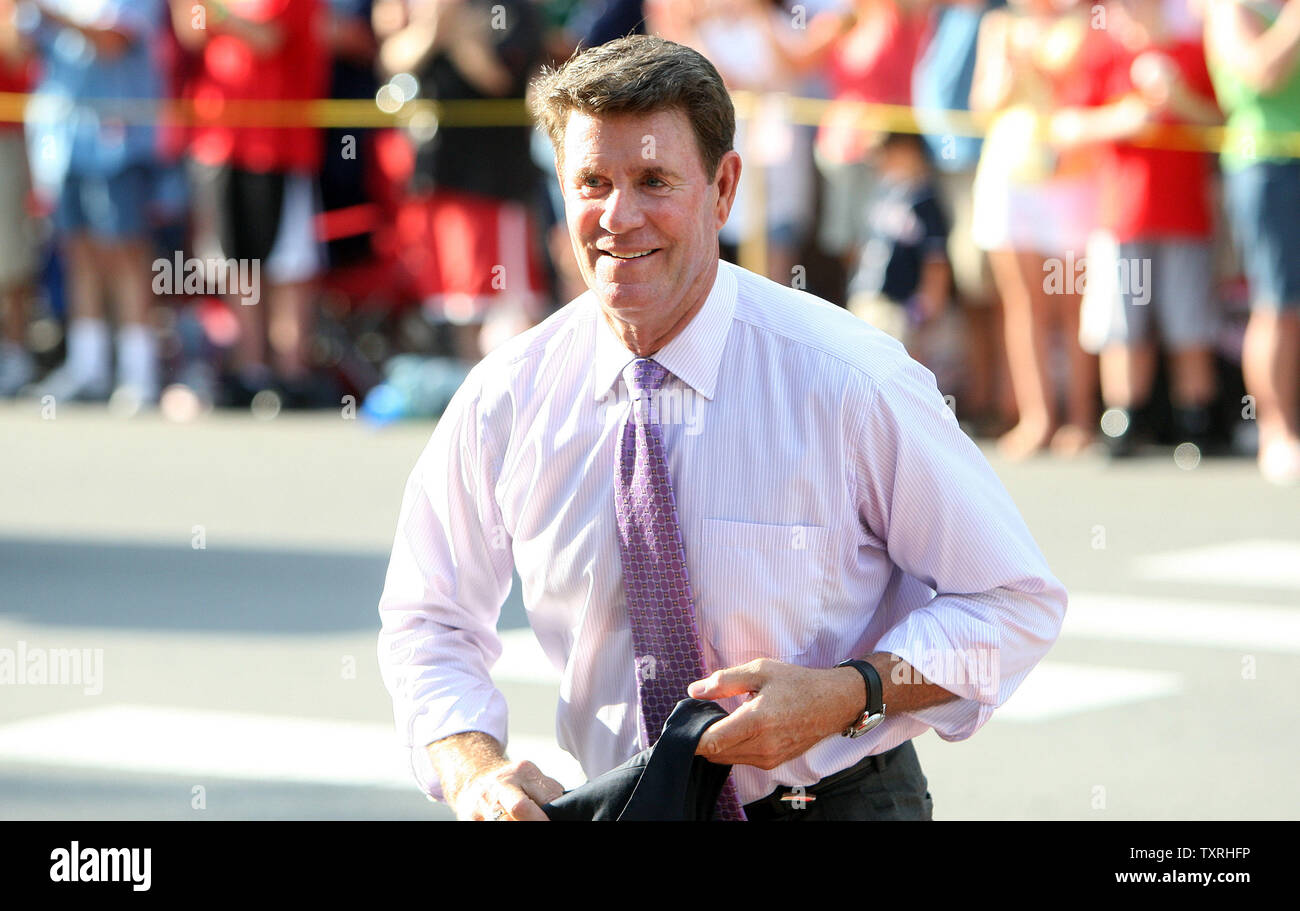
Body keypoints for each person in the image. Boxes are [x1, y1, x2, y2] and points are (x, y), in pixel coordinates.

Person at [376, 35, 1068, 821]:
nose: (618, 216)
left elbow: (1013, 600)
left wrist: (849, 692)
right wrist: (472, 765)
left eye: (654, 181)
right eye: (592, 182)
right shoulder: (507, 395)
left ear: (724, 188)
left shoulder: (850, 381)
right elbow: (427, 616)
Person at [1054, 0, 1223, 457]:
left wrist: (1180, 99)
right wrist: (1121, 119)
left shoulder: (1192, 51)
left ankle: (1196, 420)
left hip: (1186, 216)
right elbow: (1065, 125)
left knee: (1189, 322)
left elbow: (1223, 121)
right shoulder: (1102, 53)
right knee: (1122, 325)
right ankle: (1123, 421)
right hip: (1123, 216)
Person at [24, 0, 167, 408]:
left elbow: (111, 41)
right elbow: (19, 49)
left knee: (126, 252)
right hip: (61, 142)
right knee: (77, 252)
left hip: (118, 141)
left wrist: (45, 12)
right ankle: (88, 366)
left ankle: (139, 372)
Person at [1204, 0, 1300, 484]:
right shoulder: (1230, 9)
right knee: (1279, 300)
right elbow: (1263, 72)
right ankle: (1277, 432)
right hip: (1267, 167)